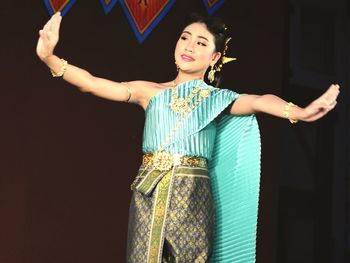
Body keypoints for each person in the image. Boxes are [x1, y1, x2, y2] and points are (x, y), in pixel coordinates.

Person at [36, 12, 339, 263]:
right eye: (185, 38)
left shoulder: (218, 99)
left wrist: (297, 111)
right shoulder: (150, 92)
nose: (189, 46)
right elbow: (92, 83)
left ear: (215, 57)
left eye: (201, 42)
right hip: (148, 190)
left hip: (192, 192)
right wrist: (49, 57)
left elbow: (259, 100)